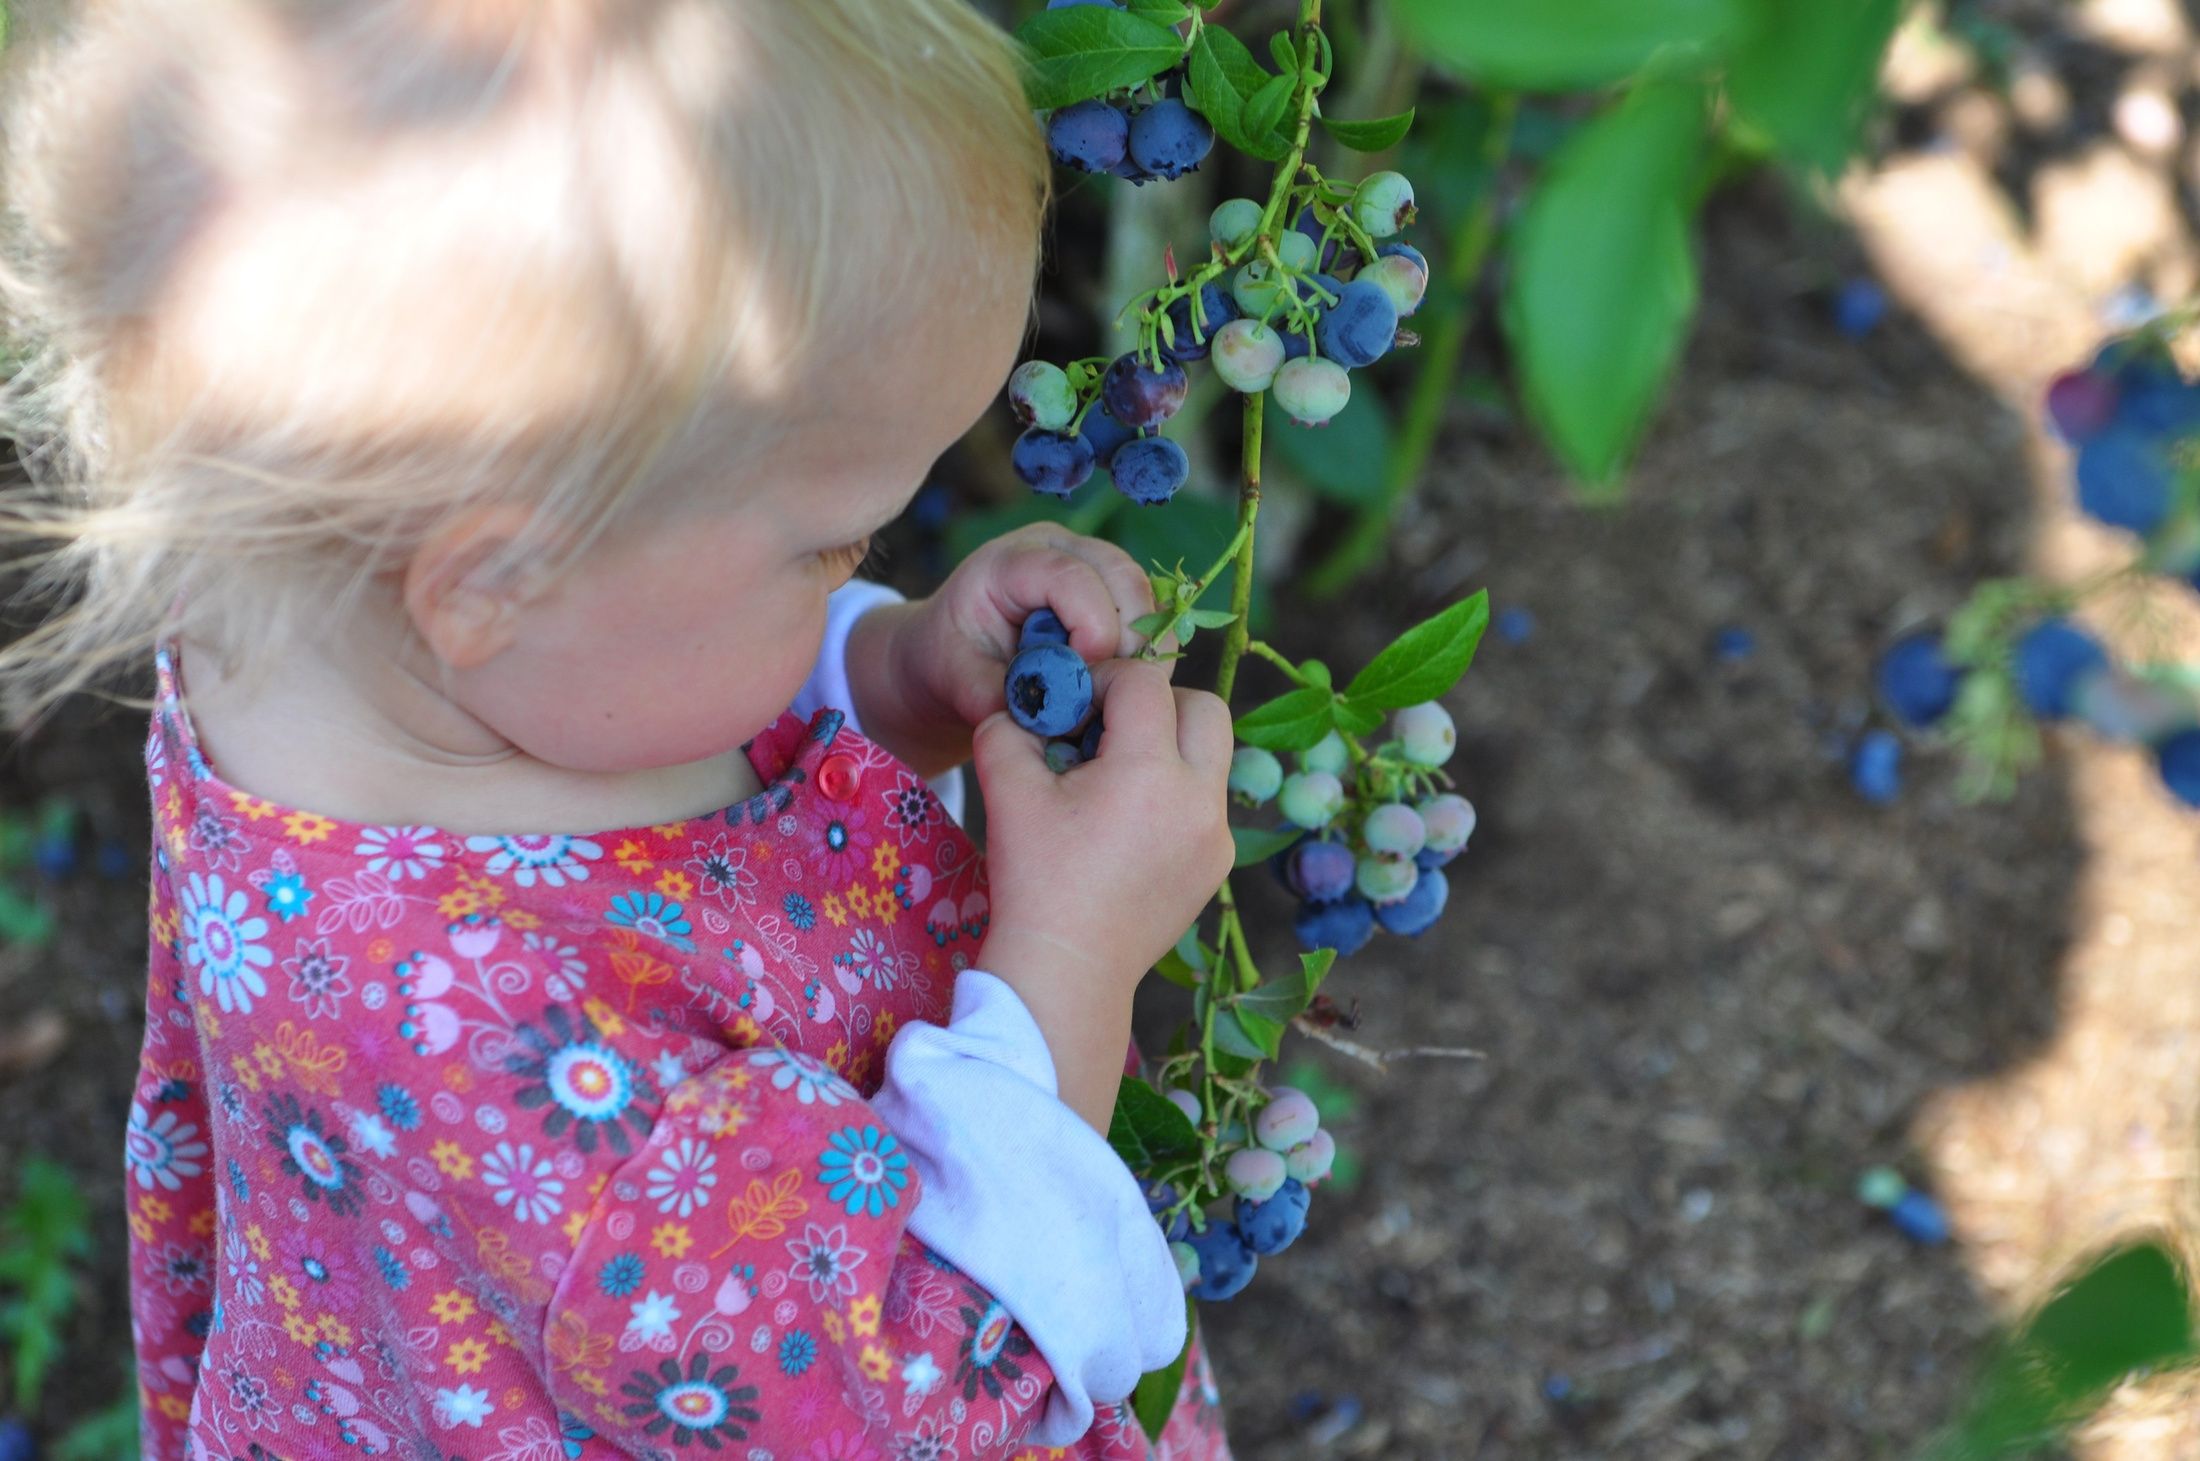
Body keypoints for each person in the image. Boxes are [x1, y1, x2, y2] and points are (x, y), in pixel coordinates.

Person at [0, 3, 1238, 1456]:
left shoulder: (332, 632)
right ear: (498, 578)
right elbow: (923, 1391)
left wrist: (890, 679)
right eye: (831, 544)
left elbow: (638, 724)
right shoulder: (539, 1082)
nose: (865, 561)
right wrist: (1074, 961)